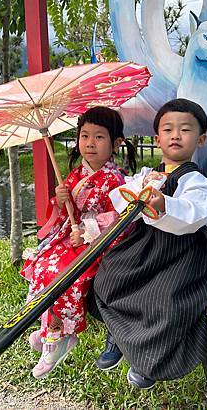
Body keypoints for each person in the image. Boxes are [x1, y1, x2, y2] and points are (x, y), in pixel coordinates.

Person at [92, 98, 207, 389]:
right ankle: (117, 335)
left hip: (184, 253)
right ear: (157, 138)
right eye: (168, 129)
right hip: (147, 246)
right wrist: (143, 186)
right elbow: (120, 196)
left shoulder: (197, 182)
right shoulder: (146, 174)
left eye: (185, 129)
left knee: (167, 298)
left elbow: (194, 214)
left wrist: (164, 203)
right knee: (108, 277)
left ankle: (150, 360)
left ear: (200, 139)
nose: (176, 135)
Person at [21, 106, 137, 379]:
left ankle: (61, 337)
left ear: (116, 143)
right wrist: (61, 200)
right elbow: (65, 213)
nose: (89, 143)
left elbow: (120, 218)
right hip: (70, 237)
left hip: (95, 243)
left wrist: (87, 230)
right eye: (84, 136)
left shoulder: (115, 179)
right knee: (41, 265)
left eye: (99, 137)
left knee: (61, 274)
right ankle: (48, 327)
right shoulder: (75, 175)